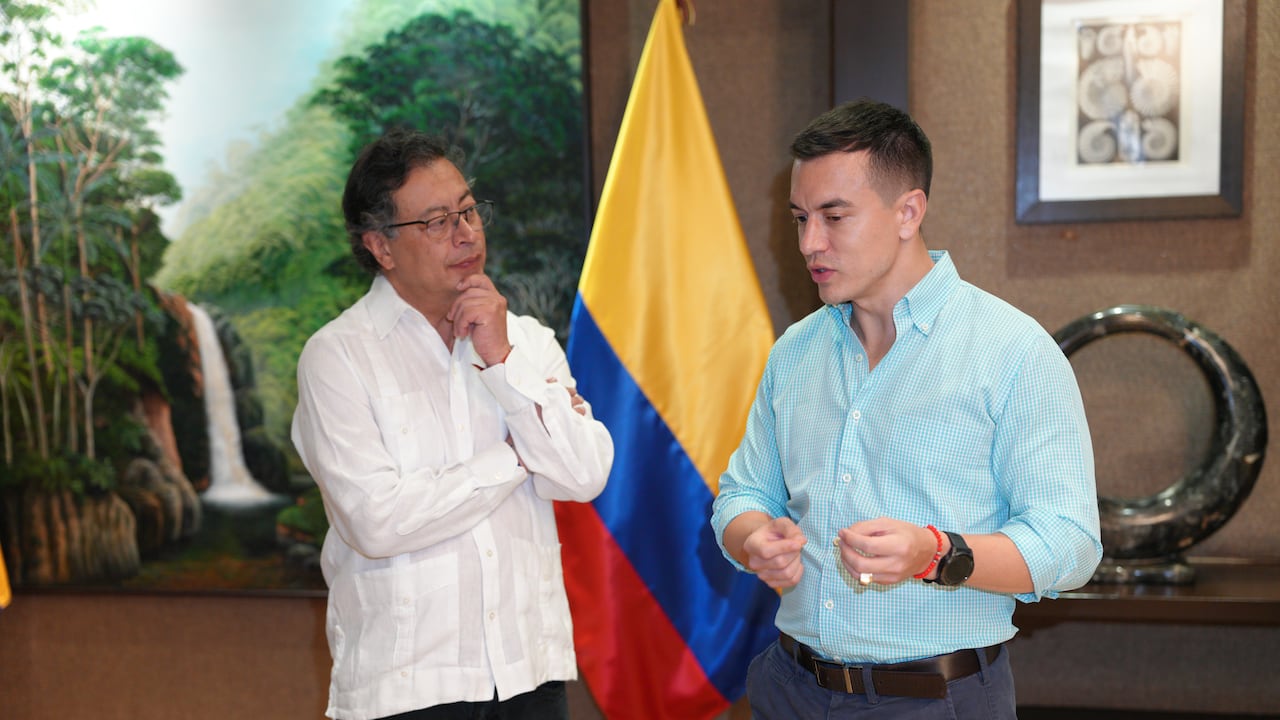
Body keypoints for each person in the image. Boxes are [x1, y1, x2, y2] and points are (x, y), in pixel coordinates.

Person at [710, 99, 1101, 719]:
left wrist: (934, 552)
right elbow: (741, 494)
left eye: (834, 217)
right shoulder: (796, 353)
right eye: (801, 218)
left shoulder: (1013, 351)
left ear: (908, 212)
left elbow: (1071, 545)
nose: (811, 242)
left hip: (934, 698)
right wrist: (754, 535)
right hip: (789, 686)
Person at [292, 128, 613, 720]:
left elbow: (582, 474)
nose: (466, 233)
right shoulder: (338, 356)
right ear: (381, 247)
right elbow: (377, 522)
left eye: (468, 211)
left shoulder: (525, 340)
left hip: (530, 674)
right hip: (407, 689)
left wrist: (502, 361)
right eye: (437, 221)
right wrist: (515, 457)